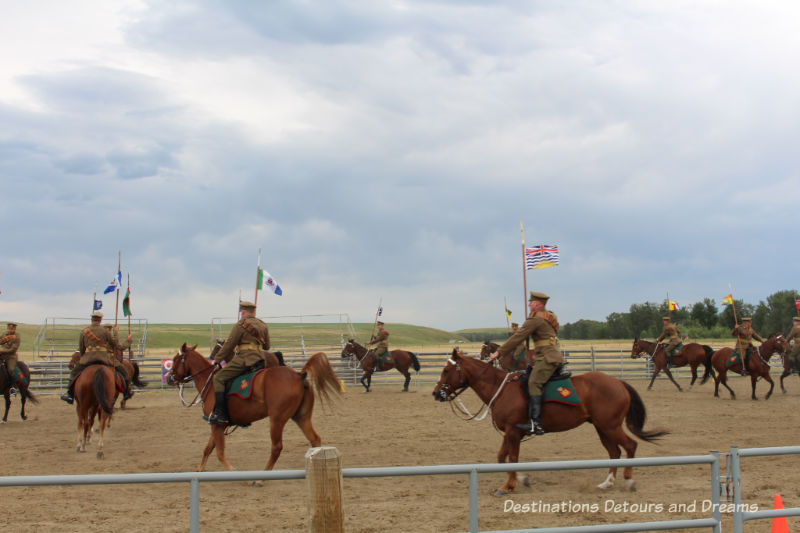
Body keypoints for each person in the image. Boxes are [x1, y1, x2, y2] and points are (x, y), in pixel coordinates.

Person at [489, 291, 562, 436]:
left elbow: (518, 338)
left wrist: (498, 352)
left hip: (547, 357)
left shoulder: (536, 319)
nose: (529, 304)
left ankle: (536, 423)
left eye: (531, 302)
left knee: (534, 383)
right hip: (547, 355)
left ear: (538, 304)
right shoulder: (547, 316)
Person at [208, 300, 270, 426]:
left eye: (241, 311)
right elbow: (267, 347)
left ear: (243, 312)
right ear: (253, 312)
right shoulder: (263, 325)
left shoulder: (240, 325)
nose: (241, 313)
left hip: (244, 360)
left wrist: (217, 359)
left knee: (219, 378)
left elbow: (229, 346)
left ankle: (220, 414)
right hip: (260, 360)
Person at [61, 311, 131, 404]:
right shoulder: (105, 332)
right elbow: (116, 345)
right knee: (124, 372)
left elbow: (81, 348)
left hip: (87, 359)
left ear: (92, 319)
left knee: (74, 373)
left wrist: (83, 358)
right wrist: (121, 336)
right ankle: (126, 393)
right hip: (104, 359)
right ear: (100, 320)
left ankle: (70, 395)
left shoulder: (84, 331)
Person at [103, 323, 135, 400]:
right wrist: (128, 340)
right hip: (109, 359)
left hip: (97, 358)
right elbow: (119, 347)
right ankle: (126, 392)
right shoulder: (110, 336)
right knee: (125, 373)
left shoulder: (98, 336)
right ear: (111, 329)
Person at [0, 322, 22, 394]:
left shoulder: (17, 337)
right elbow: (0, 341)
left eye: (12, 329)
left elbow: (13, 349)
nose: (10, 330)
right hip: (2, 355)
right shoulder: (4, 334)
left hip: (11, 356)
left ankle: (13, 386)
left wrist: (2, 351)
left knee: (11, 369)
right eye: (9, 329)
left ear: (15, 329)